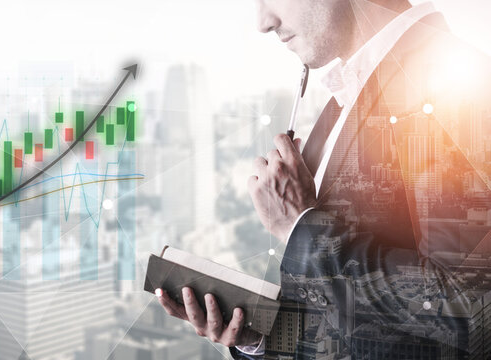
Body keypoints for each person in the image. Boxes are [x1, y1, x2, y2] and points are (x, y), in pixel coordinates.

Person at [157, 0, 491, 358]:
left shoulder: (449, 81)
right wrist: (260, 337)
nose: (263, 22)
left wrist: (299, 227)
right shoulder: (350, 96)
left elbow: (471, 308)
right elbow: (364, 327)